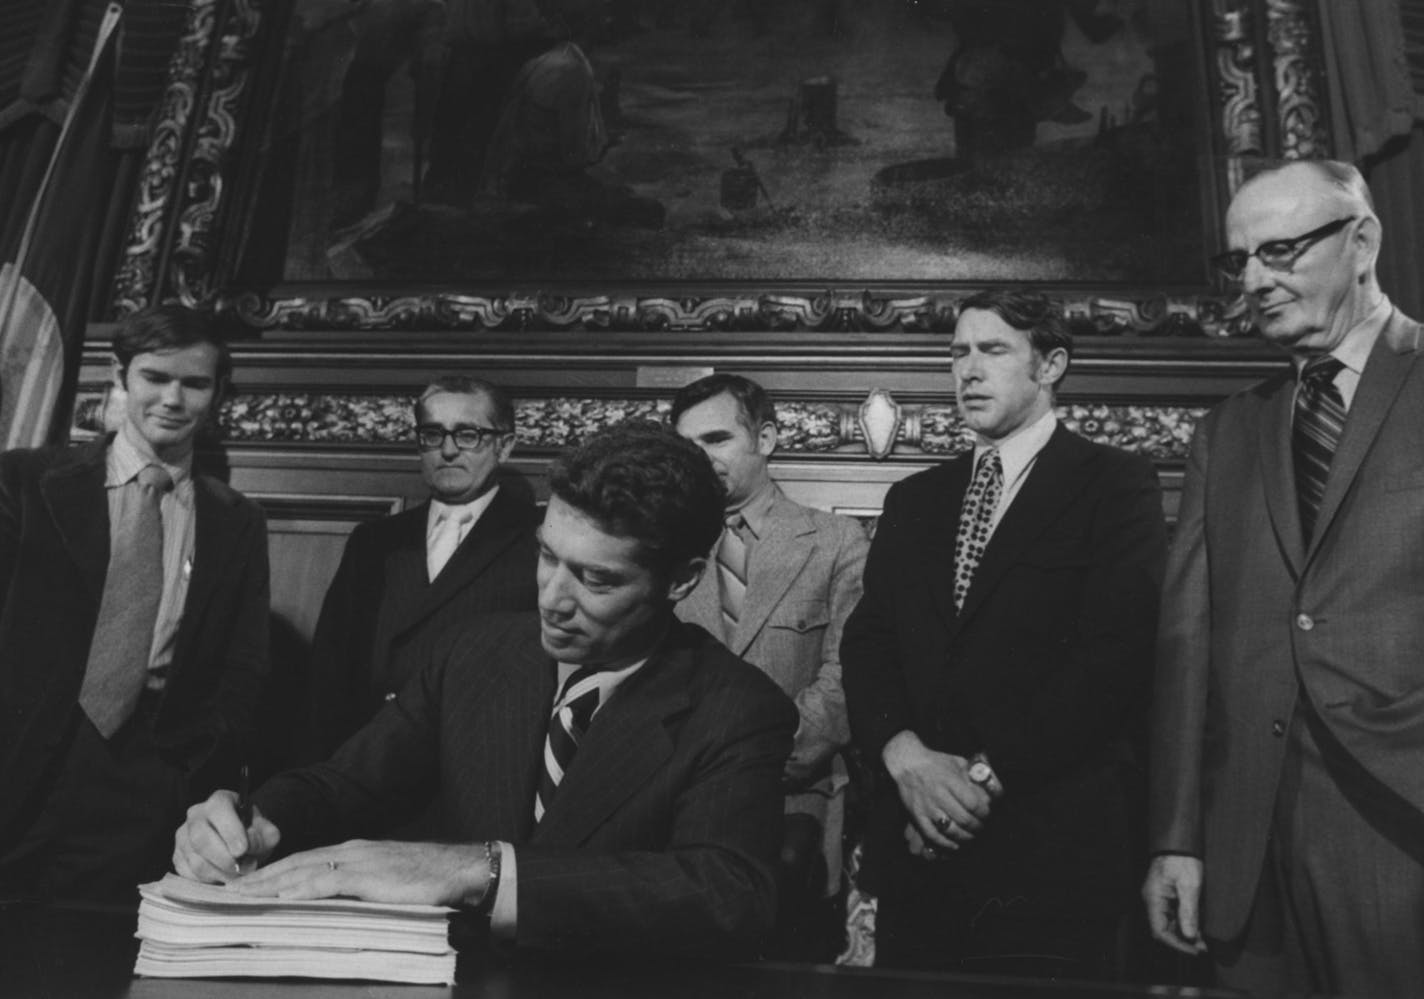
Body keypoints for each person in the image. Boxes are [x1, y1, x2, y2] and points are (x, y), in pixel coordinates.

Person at [174, 421, 797, 958]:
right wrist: (262, 821)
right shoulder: (478, 650)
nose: (552, 599)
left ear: (682, 581)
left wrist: (481, 871)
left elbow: (727, 894)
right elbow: (348, 783)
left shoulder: (736, 708)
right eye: (547, 556)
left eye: (596, 580)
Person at [1142, 159, 1424, 996]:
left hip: (1403, 820)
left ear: (1362, 241)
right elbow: (1186, 644)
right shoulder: (1226, 433)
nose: (1255, 281)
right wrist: (1179, 834)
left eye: (1282, 251)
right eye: (1241, 261)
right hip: (1247, 848)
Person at [842, 288, 1166, 977]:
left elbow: (1115, 658)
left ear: (1050, 365)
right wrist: (906, 758)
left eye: (992, 350)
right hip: (913, 839)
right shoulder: (915, 497)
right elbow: (868, 644)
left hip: (1047, 845)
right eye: (958, 352)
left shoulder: (1116, 483)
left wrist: (978, 780)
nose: (968, 370)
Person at [0, 304, 270, 902]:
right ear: (120, 377)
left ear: (218, 394)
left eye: (194, 383)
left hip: (145, 781)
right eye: (155, 377)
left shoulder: (237, 521)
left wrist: (186, 775)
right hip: (18, 760)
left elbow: (244, 668)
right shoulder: (23, 483)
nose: (173, 399)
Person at [671, 373, 868, 957]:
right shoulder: (664, 545)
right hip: (675, 808)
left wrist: (751, 765)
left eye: (717, 439)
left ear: (768, 438)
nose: (700, 459)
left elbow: (847, 676)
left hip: (794, 804)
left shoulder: (835, 540)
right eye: (688, 446)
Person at [306, 376, 539, 759]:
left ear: (505, 446)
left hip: (472, 764)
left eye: (468, 435)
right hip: (369, 764)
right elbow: (328, 675)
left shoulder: (533, 543)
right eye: (433, 434)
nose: (447, 450)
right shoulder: (374, 541)